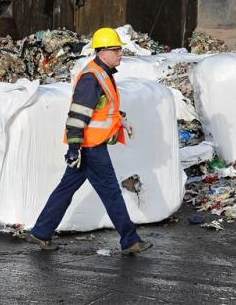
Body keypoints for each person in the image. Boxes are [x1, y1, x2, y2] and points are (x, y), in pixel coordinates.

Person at [28, 27, 152, 255]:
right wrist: (75, 148)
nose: (120, 54)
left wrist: (121, 120)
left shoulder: (103, 74)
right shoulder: (91, 77)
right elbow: (77, 115)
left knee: (65, 190)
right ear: (103, 52)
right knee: (111, 193)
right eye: (116, 50)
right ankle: (130, 240)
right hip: (90, 148)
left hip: (88, 146)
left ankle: (41, 231)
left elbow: (103, 108)